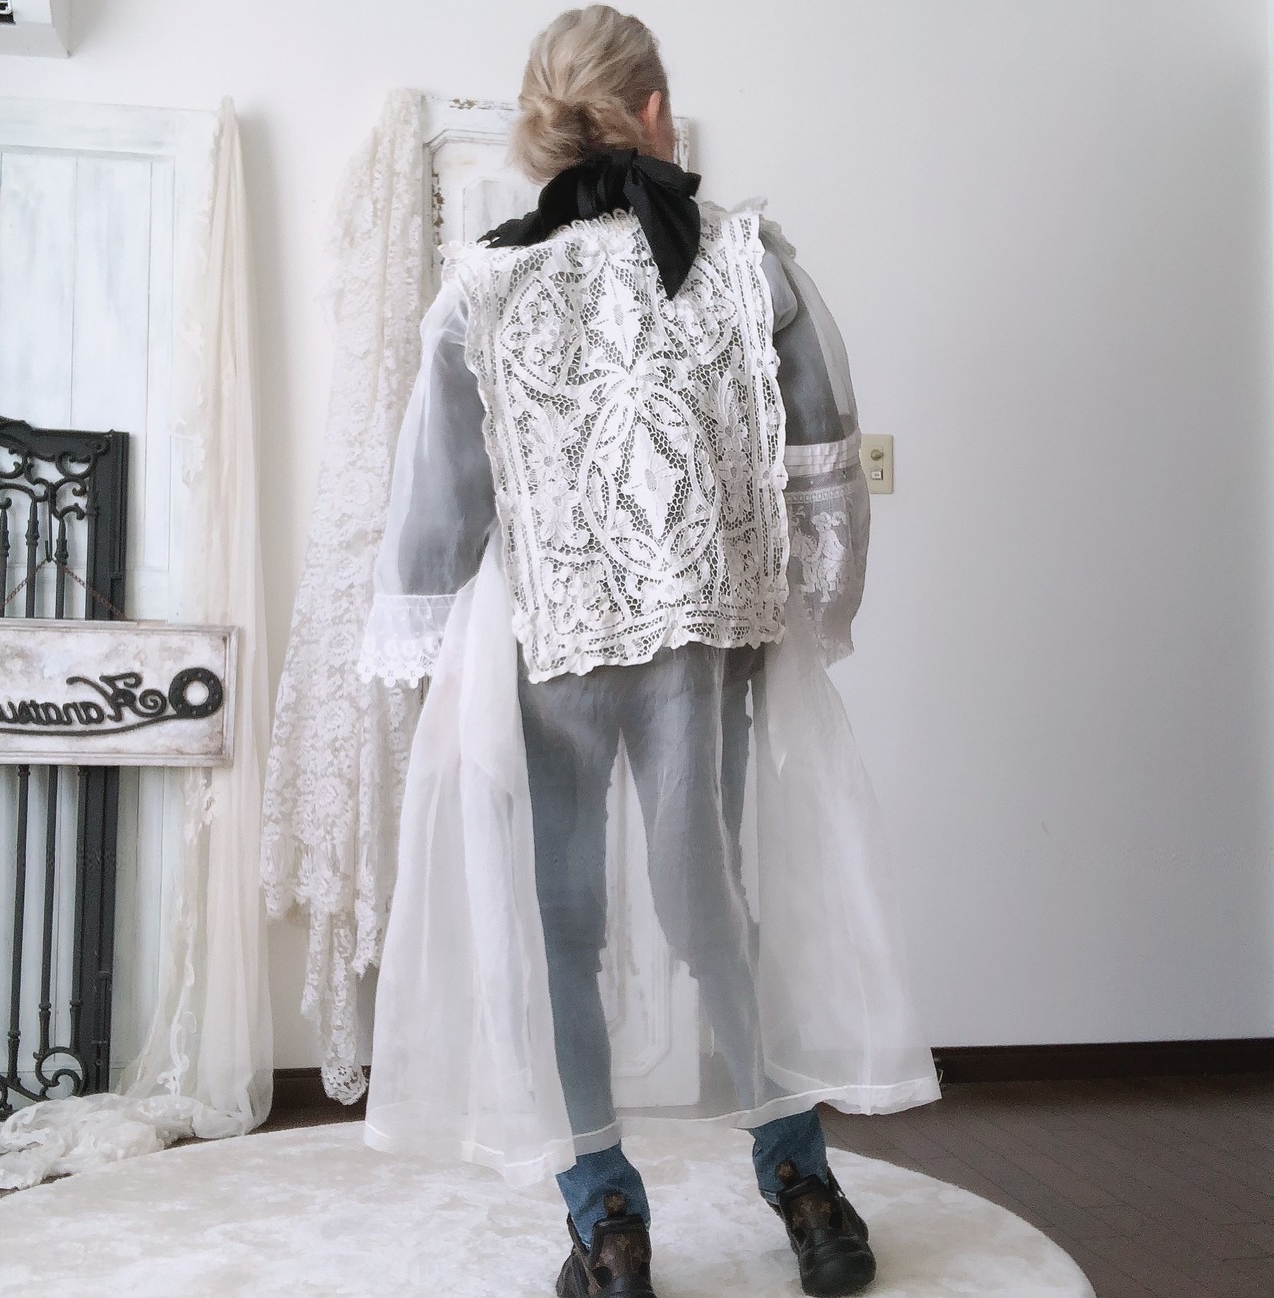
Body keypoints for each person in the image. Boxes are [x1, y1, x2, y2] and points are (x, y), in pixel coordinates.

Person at [358, 7, 940, 1296]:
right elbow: (824, 456)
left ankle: (608, 1227)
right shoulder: (748, 263)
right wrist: (821, 603)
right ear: (658, 113)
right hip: (702, 643)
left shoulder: (485, 288)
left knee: (561, 926)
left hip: (550, 645)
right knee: (713, 908)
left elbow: (438, 512)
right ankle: (806, 1191)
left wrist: (415, 643)